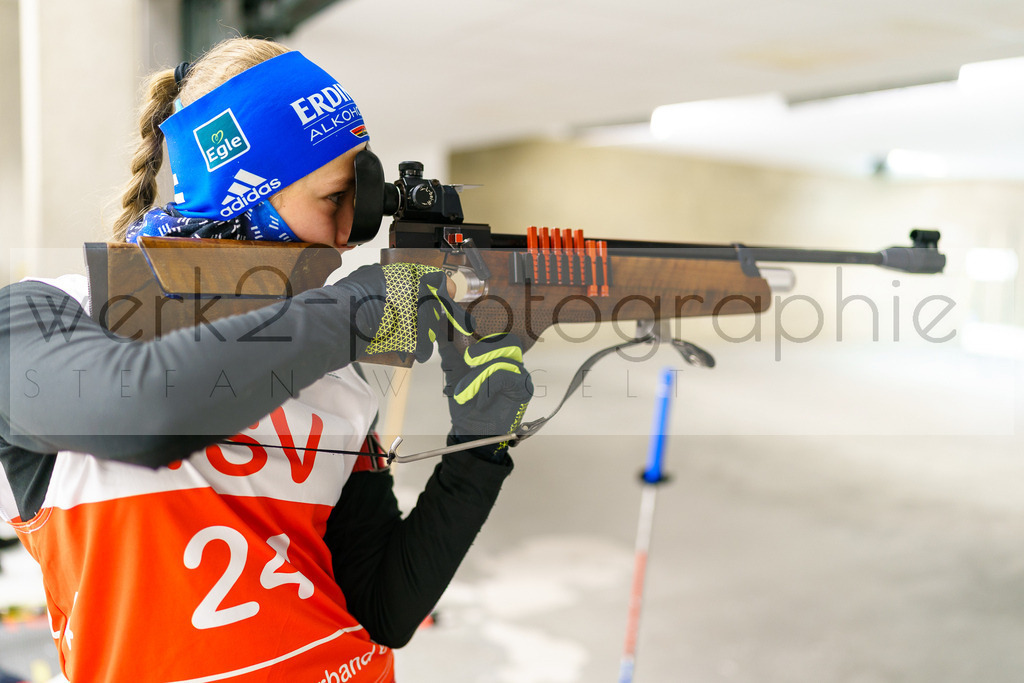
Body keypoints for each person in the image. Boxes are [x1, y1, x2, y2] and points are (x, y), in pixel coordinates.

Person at [0, 37, 533, 682]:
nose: (348, 235)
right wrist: (359, 309)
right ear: (243, 195)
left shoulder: (329, 364)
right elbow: (144, 413)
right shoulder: (43, 314)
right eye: (333, 199)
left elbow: (382, 608)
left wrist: (481, 442)